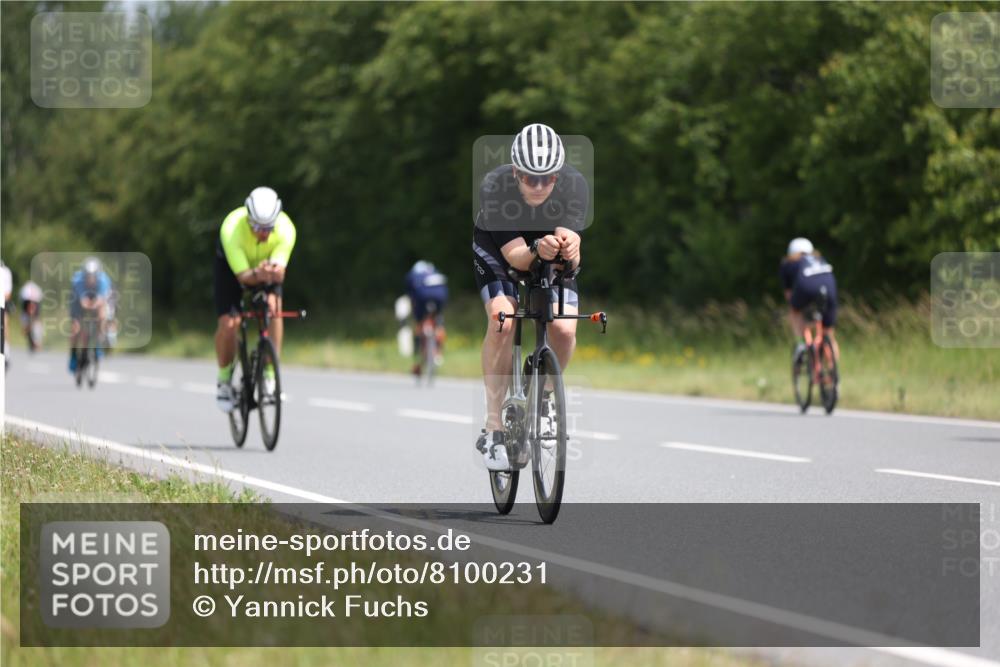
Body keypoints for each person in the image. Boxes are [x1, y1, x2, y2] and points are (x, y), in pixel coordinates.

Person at [472, 123, 588, 471]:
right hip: (499, 249)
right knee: (501, 321)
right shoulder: (495, 187)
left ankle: (546, 400)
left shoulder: (574, 185)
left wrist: (571, 248)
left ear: (558, 176)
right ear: (515, 172)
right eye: (529, 178)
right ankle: (493, 427)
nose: (538, 186)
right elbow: (517, 259)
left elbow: (574, 255)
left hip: (547, 249)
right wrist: (538, 247)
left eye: (547, 178)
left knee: (565, 330)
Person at [214, 186, 296, 412]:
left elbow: (279, 272)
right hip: (233, 271)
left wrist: (268, 273)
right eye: (258, 227)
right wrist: (261, 273)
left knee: (274, 308)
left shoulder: (287, 228)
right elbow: (243, 276)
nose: (264, 233)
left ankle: (270, 376)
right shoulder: (231, 228)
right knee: (230, 324)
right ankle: (223, 380)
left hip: (264, 268)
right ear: (248, 219)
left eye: (269, 228)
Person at [780, 237, 839, 361]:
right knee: (828, 333)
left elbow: (789, 293)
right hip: (830, 288)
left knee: (794, 311)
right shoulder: (820, 259)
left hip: (805, 287)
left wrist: (796, 308)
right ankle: (833, 374)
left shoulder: (789, 262)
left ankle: (800, 342)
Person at [404, 260, 449, 374]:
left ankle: (419, 344)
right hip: (440, 295)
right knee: (438, 321)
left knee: (419, 322)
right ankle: (438, 351)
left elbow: (410, 294)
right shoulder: (433, 270)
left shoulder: (413, 274)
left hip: (421, 296)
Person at [69, 257, 112, 373]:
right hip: (78, 301)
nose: (90, 279)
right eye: (87, 276)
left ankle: (98, 344)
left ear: (97, 275)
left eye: (93, 276)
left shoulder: (103, 281)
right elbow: (83, 302)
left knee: (102, 314)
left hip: (96, 299)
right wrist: (89, 306)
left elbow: (101, 300)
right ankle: (73, 355)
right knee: (76, 327)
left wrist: (95, 307)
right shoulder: (78, 281)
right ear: (84, 275)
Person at [19, 279, 44, 352]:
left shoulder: (36, 311)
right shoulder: (24, 314)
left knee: (37, 327)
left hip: (34, 317)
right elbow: (23, 331)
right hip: (26, 316)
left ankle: (37, 342)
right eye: (29, 304)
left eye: (33, 304)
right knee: (27, 328)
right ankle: (32, 342)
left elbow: (36, 319)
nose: (31, 306)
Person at [1, 261, 12, 368]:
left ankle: (7, 354)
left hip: (2, 303)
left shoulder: (6, 272)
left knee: (4, 326)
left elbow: (8, 293)